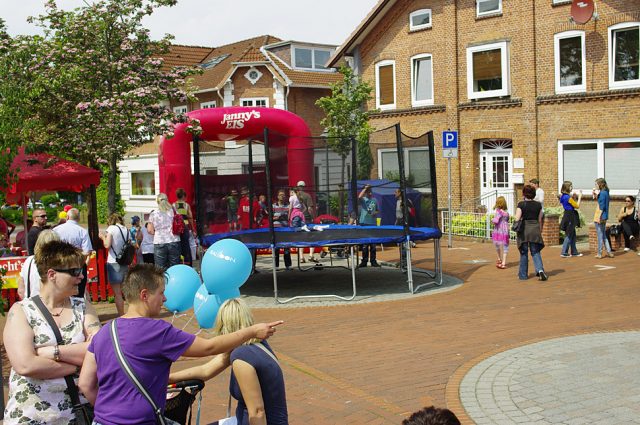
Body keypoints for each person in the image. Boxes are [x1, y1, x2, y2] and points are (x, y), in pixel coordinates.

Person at [78, 264, 282, 425]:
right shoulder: (157, 331)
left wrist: (110, 414)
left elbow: (86, 384)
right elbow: (209, 347)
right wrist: (251, 331)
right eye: (161, 293)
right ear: (144, 295)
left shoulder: (104, 332)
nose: (165, 298)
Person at [3, 240, 101, 424]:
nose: (81, 276)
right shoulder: (21, 311)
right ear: (52, 275)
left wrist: (51, 352)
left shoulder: (83, 307)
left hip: (77, 414)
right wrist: (77, 367)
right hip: (31, 416)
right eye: (75, 271)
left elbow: (99, 351)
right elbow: (26, 365)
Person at [173, 298, 288, 425]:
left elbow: (257, 412)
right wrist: (168, 378)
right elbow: (205, 370)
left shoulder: (241, 357)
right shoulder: (257, 345)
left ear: (223, 325)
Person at [53, 208, 93, 298]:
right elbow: (87, 252)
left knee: (61, 294)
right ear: (78, 218)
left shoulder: (56, 230)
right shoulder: (82, 231)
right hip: (77, 266)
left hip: (60, 265)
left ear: (67, 217)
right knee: (78, 294)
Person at [99, 213, 130, 316]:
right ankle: (132, 314)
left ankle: (121, 315)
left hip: (113, 262)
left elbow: (107, 245)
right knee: (127, 292)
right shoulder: (126, 229)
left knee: (117, 293)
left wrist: (103, 237)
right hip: (124, 262)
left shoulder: (111, 228)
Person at [515, 184, 547, 281]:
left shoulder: (521, 204)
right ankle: (540, 270)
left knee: (524, 252)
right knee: (535, 251)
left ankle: (523, 275)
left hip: (524, 229)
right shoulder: (538, 205)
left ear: (524, 194)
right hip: (535, 229)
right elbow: (540, 219)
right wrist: (540, 230)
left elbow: (517, 218)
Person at [17, 229, 61, 299]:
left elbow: (21, 291)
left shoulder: (29, 260)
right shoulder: (59, 262)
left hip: (31, 302)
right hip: (53, 303)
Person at [148, 193, 182, 269]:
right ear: (167, 200)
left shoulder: (153, 214)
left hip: (159, 241)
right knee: (174, 267)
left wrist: (156, 233)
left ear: (157, 201)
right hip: (174, 240)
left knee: (160, 269)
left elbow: (150, 230)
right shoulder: (174, 211)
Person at [559, 181, 583, 258]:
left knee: (573, 234)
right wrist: (579, 197)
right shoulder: (568, 197)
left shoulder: (563, 196)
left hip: (567, 214)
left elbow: (568, 203)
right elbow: (577, 206)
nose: (572, 187)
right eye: (570, 186)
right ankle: (564, 252)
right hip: (570, 216)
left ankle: (574, 251)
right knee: (569, 234)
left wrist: (574, 198)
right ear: (567, 187)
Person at [358, 184, 380, 267]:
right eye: (368, 192)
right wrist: (365, 188)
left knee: (373, 244)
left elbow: (377, 210)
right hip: (364, 223)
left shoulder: (375, 200)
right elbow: (359, 196)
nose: (370, 193)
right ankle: (364, 261)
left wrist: (375, 213)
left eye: (371, 191)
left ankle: (373, 261)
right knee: (365, 244)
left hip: (372, 223)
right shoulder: (363, 199)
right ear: (366, 192)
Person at [592, 178, 614, 259]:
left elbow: (601, 206)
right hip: (605, 216)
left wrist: (598, 217)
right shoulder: (606, 192)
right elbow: (602, 202)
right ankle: (609, 252)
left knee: (600, 236)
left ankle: (599, 253)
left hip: (600, 215)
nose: (595, 186)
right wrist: (596, 195)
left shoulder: (602, 193)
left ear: (600, 184)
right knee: (604, 235)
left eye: (596, 184)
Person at [173, 188, 195, 267]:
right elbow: (190, 217)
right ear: (183, 196)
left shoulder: (173, 205)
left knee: (178, 246)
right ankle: (188, 264)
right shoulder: (186, 205)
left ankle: (178, 264)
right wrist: (193, 229)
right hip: (185, 227)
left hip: (176, 229)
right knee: (186, 247)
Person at [273, 189, 292, 270]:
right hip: (276, 229)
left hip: (285, 229)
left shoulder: (288, 206)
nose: (282, 196)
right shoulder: (273, 206)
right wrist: (277, 218)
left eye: (283, 195)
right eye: (280, 195)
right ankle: (276, 266)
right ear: (277, 196)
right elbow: (270, 217)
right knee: (276, 248)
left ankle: (288, 265)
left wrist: (284, 217)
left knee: (286, 247)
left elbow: (289, 217)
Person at [491, 196, 510, 269]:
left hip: (498, 230)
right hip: (505, 230)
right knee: (505, 246)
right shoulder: (506, 213)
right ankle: (503, 263)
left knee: (497, 244)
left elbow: (496, 221)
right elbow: (507, 220)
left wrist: (492, 220)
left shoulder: (498, 212)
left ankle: (499, 259)